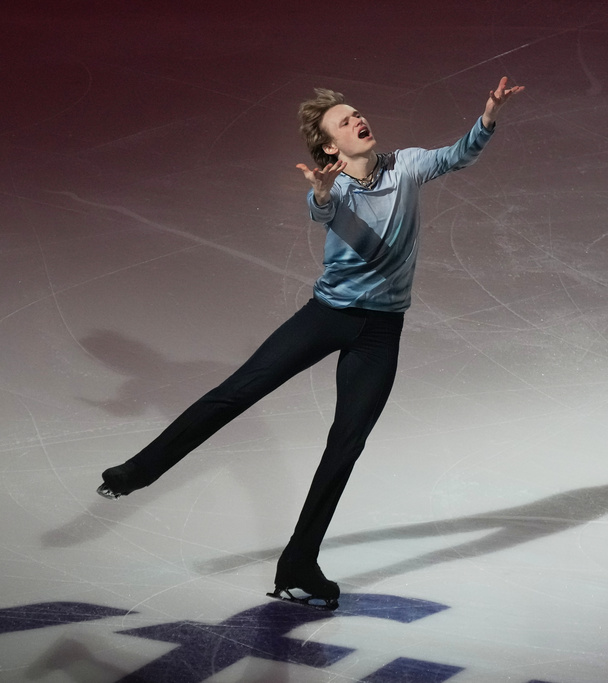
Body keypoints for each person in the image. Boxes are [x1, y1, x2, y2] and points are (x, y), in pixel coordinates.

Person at [96, 77, 525, 609]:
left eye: (356, 114)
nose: (356, 121)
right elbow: (321, 208)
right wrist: (321, 193)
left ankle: (298, 564)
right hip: (327, 318)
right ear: (328, 146)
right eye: (342, 122)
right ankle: (138, 470)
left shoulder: (406, 166)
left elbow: (457, 156)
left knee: (345, 445)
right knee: (239, 390)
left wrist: (488, 117)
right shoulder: (333, 186)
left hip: (382, 330)